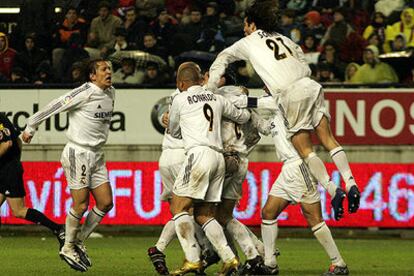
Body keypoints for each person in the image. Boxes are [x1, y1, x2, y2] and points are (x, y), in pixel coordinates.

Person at [207, 0, 360, 221]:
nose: (243, 28)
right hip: (311, 85)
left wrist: (211, 88)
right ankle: (351, 182)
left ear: (252, 24)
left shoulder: (248, 42)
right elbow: (303, 62)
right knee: (328, 139)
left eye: (245, 24)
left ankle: (333, 190)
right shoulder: (284, 38)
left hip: (291, 93)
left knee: (304, 149)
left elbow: (223, 57)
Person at [22, 59, 115, 272]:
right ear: (92, 76)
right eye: (103, 69)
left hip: (97, 154)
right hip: (78, 153)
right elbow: (56, 104)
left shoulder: (111, 92)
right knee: (81, 204)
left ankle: (78, 240)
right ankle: (67, 247)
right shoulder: (84, 92)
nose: (108, 72)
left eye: (109, 69)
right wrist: (31, 126)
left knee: (105, 202)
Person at [252, 95, 349, 275]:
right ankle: (270, 263)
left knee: (313, 218)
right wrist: (250, 114)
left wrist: (237, 100)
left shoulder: (282, 101)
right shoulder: (275, 114)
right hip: (287, 169)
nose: (266, 87)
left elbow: (260, 103)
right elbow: (265, 128)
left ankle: (339, 263)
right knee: (268, 212)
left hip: (299, 165)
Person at [168, 65, 250, 275]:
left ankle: (193, 259)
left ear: (181, 84)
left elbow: (174, 131)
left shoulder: (180, 98)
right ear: (201, 80)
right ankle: (230, 258)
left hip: (198, 155)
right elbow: (243, 117)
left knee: (178, 207)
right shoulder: (217, 98)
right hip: (219, 158)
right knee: (204, 215)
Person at [0, 113, 65, 249]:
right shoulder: (2, 117)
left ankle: (58, 229)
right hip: (6, 169)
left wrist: (12, 165)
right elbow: (17, 141)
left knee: (18, 210)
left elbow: (7, 143)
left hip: (7, 171)